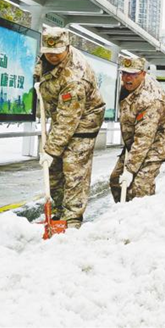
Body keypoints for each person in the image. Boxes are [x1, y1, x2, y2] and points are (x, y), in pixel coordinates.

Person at [34, 26, 105, 229]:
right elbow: (42, 68)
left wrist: (51, 150)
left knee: (73, 169)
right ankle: (57, 213)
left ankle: (72, 219)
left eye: (57, 53)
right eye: (48, 53)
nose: (52, 57)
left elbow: (68, 120)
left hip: (83, 120)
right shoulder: (48, 56)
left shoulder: (76, 78)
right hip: (62, 117)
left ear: (67, 47)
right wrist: (40, 80)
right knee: (53, 169)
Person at [109, 57, 165, 202]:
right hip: (137, 138)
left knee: (140, 185)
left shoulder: (150, 99)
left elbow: (144, 139)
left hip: (159, 139)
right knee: (117, 180)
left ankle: (141, 219)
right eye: (124, 73)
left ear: (143, 74)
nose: (127, 78)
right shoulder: (128, 88)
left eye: (133, 74)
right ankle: (122, 213)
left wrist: (130, 169)